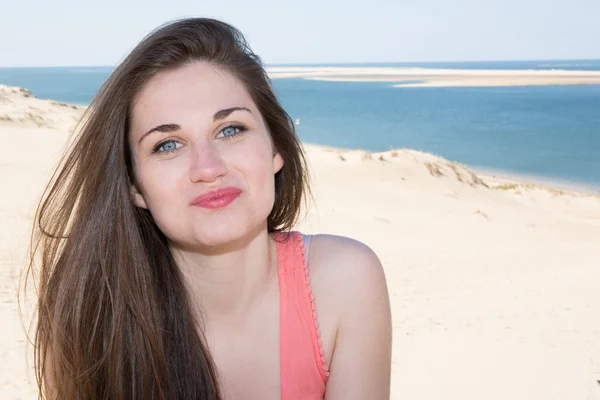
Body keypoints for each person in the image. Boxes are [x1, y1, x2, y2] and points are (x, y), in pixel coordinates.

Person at [29, 17, 392, 399]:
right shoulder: (91, 318)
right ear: (135, 186)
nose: (208, 168)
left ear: (275, 150)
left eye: (231, 130)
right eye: (167, 144)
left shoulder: (344, 281)